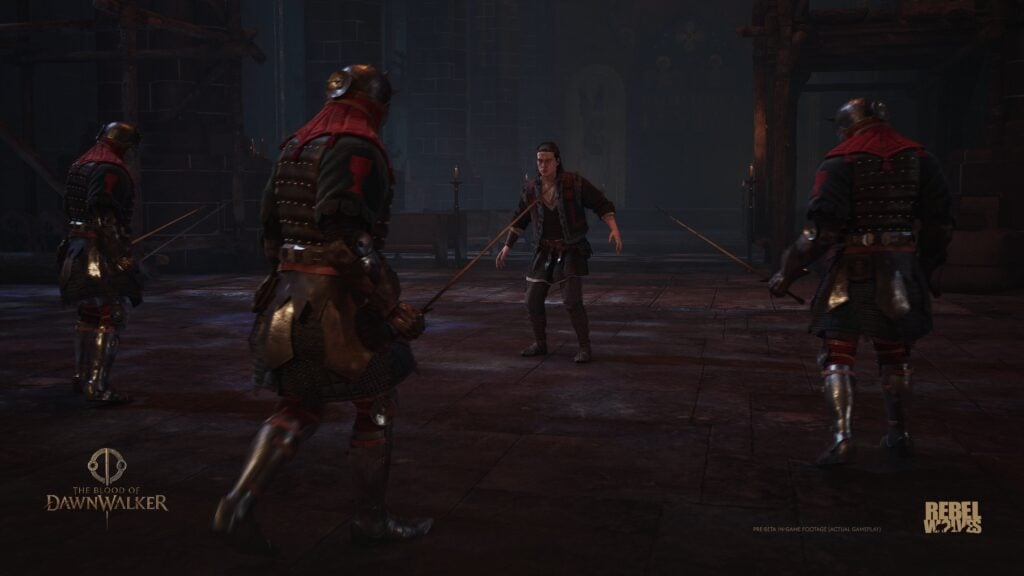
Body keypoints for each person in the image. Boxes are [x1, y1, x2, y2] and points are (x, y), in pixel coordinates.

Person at [212, 65, 432, 555]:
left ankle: (238, 501)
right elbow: (346, 244)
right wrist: (389, 306)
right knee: (375, 404)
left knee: (298, 405)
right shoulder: (357, 148)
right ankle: (370, 520)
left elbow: (270, 231)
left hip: (287, 300)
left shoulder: (296, 146)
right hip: (340, 310)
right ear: (376, 104)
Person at [768, 97, 954, 467]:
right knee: (895, 355)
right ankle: (900, 434)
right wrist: (926, 269)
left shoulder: (840, 161)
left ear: (847, 127)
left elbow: (819, 234)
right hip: (900, 271)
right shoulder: (921, 159)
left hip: (852, 271)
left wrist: (786, 273)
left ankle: (842, 439)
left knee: (838, 355)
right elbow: (939, 227)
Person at [495, 141, 623, 363]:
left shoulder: (574, 183)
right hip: (543, 249)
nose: (543, 165)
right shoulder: (531, 189)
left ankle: (584, 347)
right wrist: (507, 246)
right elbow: (520, 220)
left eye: (547, 161)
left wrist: (614, 229)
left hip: (570, 248)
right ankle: (540, 343)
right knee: (532, 300)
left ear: (557, 161)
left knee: (572, 301)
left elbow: (600, 203)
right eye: (539, 161)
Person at [57, 121, 143, 405]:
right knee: (110, 314)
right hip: (99, 252)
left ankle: (82, 377)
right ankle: (97, 386)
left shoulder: (81, 165)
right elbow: (104, 217)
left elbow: (70, 208)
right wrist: (121, 257)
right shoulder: (110, 169)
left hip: (76, 247)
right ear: (122, 145)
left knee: (88, 314)